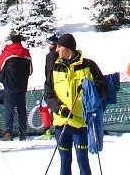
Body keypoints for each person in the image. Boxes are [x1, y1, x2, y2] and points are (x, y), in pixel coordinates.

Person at [45, 33, 108, 175]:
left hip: (81, 122)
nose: (56, 50)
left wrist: (89, 88)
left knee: (82, 161)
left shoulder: (88, 65)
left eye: (59, 47)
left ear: (68, 48)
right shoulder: (55, 67)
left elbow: (104, 88)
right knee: (65, 160)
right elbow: (48, 94)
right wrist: (60, 109)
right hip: (62, 122)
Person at [0, 33, 32, 140]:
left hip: (9, 84)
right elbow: (30, 70)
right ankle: (22, 133)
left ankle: (9, 133)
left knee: (9, 109)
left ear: (11, 41)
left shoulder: (8, 52)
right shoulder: (27, 53)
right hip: (22, 85)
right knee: (22, 109)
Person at [39, 33, 59, 139]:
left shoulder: (51, 55)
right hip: (60, 85)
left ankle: (47, 131)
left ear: (52, 44)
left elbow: (50, 71)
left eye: (48, 43)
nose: (47, 45)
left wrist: (49, 85)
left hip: (52, 85)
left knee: (43, 107)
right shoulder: (60, 54)